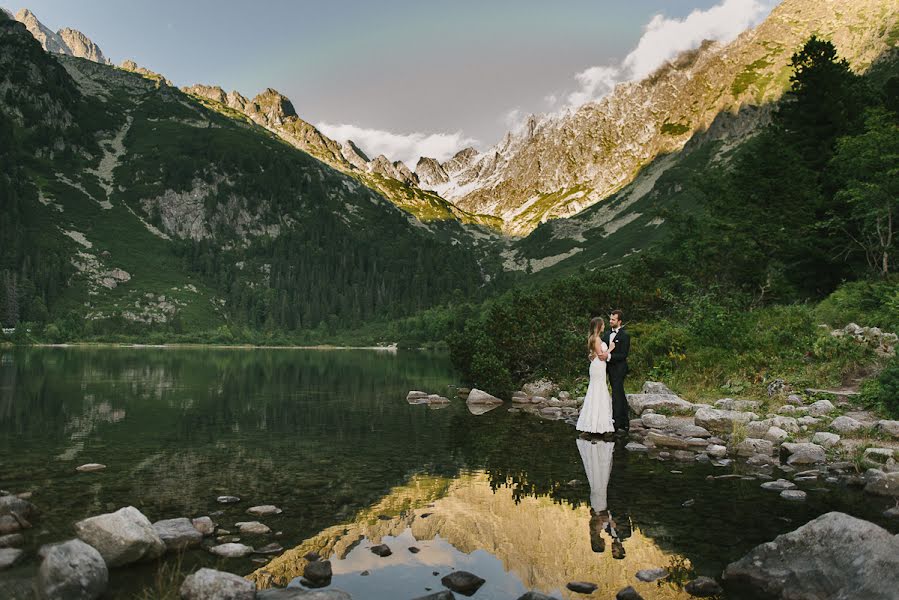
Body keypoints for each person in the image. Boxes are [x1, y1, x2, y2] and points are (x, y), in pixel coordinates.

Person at [576, 317, 615, 436]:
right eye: (602, 325)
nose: (604, 326)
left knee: (597, 390)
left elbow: (593, 354)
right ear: (598, 326)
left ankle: (596, 422)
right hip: (598, 367)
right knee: (598, 391)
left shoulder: (594, 338)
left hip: (597, 366)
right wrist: (611, 348)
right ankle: (597, 424)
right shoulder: (596, 339)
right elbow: (601, 356)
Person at [602, 309, 630, 433]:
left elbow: (623, 355)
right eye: (610, 319)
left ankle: (618, 422)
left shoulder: (625, 336)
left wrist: (609, 356)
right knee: (618, 392)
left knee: (617, 393)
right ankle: (624, 420)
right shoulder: (606, 335)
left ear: (619, 321)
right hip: (607, 368)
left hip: (619, 368)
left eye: (613, 319)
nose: (610, 321)